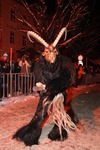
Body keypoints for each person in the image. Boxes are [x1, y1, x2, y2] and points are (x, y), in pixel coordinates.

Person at [13, 28, 79, 146]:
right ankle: (30, 136)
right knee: (40, 114)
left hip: (60, 93)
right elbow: (40, 80)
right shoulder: (40, 65)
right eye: (48, 52)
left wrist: (57, 86)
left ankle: (57, 133)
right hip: (47, 94)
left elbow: (69, 78)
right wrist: (42, 86)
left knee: (60, 114)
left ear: (57, 52)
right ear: (44, 53)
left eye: (53, 51)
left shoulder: (64, 63)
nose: (51, 54)